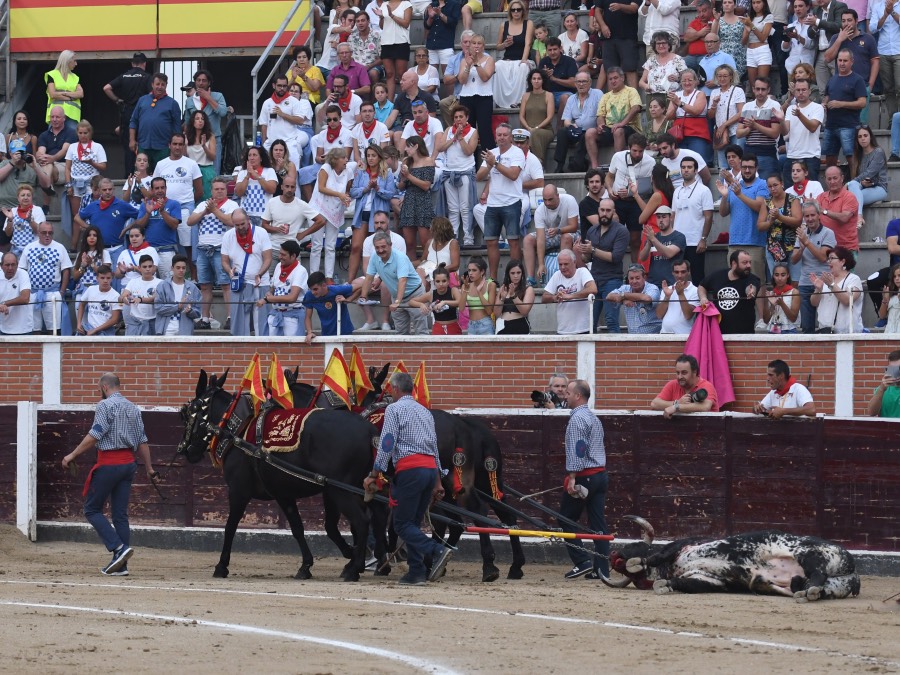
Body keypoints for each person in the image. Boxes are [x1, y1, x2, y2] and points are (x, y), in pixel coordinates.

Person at [61, 373, 157, 576]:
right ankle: (121, 565)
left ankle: (118, 548)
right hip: (129, 464)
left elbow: (95, 435)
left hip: (109, 464)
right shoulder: (133, 407)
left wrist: (72, 454)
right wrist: (149, 468)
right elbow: (143, 441)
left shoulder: (105, 406)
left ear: (105, 387)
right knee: (120, 515)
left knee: (91, 509)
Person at [364, 371, 452, 586]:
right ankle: (416, 571)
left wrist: (374, 474)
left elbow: (387, 443)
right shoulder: (425, 411)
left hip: (410, 470)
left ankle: (437, 550)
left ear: (394, 389)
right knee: (412, 523)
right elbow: (434, 448)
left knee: (402, 524)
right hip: (430, 470)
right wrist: (438, 481)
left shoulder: (394, 409)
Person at [559, 379, 609, 580]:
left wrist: (572, 476)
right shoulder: (593, 418)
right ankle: (601, 569)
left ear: (578, 396)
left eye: (569, 392)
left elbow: (579, 449)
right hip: (600, 475)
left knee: (565, 518)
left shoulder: (578, 419)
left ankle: (582, 562)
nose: (565, 395)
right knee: (598, 522)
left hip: (585, 476)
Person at [475, 124, 524, 282]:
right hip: (493, 204)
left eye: (505, 135)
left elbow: (513, 175)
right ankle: (493, 279)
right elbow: (479, 176)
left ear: (510, 137)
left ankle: (515, 278)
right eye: (499, 135)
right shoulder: (492, 153)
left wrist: (495, 163)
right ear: (495, 137)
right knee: (491, 242)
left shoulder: (517, 152)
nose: (501, 137)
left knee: (513, 242)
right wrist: (490, 164)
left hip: (511, 202)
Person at [360, 230, 427, 334]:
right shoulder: (374, 256)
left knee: (421, 332)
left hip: (415, 295)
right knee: (400, 333)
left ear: (390, 245)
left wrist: (397, 302)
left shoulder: (400, 257)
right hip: (396, 296)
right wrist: (363, 297)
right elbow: (369, 277)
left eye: (383, 247)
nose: (380, 250)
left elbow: (402, 280)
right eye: (377, 247)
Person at [718, 153, 769, 286]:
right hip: (734, 242)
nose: (747, 170)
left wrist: (739, 194)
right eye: (744, 167)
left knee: (758, 283)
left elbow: (759, 206)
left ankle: (759, 308)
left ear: (756, 168)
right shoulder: (734, 186)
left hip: (755, 242)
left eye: (750, 167)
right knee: (733, 282)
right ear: (740, 167)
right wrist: (724, 196)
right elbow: (723, 213)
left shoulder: (762, 184)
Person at [220, 208, 273, 337]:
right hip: (240, 284)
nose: (240, 227)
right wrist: (229, 271)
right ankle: (241, 350)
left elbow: (268, 259)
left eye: (242, 224)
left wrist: (259, 274)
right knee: (239, 320)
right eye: (236, 225)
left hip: (259, 282)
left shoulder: (261, 232)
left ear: (248, 220)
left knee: (261, 319)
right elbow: (224, 260)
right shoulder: (228, 235)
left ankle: (262, 346)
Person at [153, 133, 203, 263]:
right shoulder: (160, 164)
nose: (177, 147)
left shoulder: (192, 164)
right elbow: (154, 187)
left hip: (185, 208)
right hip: (165, 209)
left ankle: (193, 276)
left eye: (180, 144)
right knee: (169, 242)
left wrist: (187, 203)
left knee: (188, 245)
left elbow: (199, 191)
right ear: (169, 145)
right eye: (175, 144)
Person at [823, 9, 878, 124]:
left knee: (861, 124)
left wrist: (871, 85)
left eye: (849, 20)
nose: (846, 23)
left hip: (862, 86)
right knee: (840, 124)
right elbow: (827, 58)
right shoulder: (836, 38)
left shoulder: (868, 38)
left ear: (856, 21)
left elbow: (875, 62)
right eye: (843, 21)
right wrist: (839, 40)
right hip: (841, 86)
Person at [103, 53, 152, 176]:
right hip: (142, 115)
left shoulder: (124, 76)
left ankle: (128, 177)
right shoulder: (147, 76)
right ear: (144, 64)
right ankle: (144, 175)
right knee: (144, 146)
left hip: (127, 115)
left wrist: (117, 100)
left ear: (132, 63)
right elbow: (152, 94)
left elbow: (106, 88)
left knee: (129, 148)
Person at [434, 105, 477, 245]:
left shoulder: (473, 131)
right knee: (452, 208)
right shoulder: (448, 130)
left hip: (465, 172)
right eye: (456, 117)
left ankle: (468, 238)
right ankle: (453, 238)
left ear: (467, 118)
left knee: (465, 207)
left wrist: (460, 138)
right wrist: (453, 138)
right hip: (449, 172)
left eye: (461, 117)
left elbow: (469, 151)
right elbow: (440, 148)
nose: (458, 120)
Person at [791, 201, 837, 333]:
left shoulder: (828, 233)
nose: (810, 219)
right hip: (805, 282)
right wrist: (801, 249)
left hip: (825, 283)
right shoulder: (802, 233)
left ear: (818, 215)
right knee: (806, 328)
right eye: (807, 216)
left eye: (812, 215)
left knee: (826, 326)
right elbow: (793, 260)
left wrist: (806, 242)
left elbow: (823, 257)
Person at [20, 223, 73, 334]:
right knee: (34, 328)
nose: (47, 235)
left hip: (52, 293)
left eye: (50, 233)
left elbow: (66, 270)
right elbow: (22, 270)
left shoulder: (60, 247)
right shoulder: (29, 248)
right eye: (44, 232)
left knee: (54, 328)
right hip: (33, 293)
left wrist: (62, 292)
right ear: (38, 233)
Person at [586, 67, 643, 168]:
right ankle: (595, 166)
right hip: (610, 128)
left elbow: (636, 108)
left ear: (622, 78)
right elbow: (600, 115)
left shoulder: (631, 91)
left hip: (630, 128)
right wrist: (600, 125)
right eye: (610, 79)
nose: (613, 81)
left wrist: (622, 123)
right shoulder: (606, 96)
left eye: (615, 78)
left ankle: (618, 165)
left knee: (618, 130)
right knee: (590, 132)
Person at [523, 184, 579, 284]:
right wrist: (541, 264)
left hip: (572, 233)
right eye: (545, 200)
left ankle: (562, 276)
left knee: (566, 237)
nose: (547, 203)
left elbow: (574, 226)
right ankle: (531, 279)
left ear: (558, 196)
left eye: (550, 199)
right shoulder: (540, 211)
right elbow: (540, 238)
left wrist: (558, 230)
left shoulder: (569, 200)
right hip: (553, 233)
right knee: (528, 239)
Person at [821, 49, 867, 168]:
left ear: (852, 61)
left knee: (851, 157)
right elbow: (827, 96)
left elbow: (862, 102)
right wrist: (823, 104)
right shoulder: (832, 79)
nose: (842, 63)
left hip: (849, 125)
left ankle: (854, 184)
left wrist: (840, 104)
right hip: (830, 125)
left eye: (845, 61)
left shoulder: (858, 80)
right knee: (829, 158)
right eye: (840, 60)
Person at [698, 249, 762, 334]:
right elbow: (702, 286)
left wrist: (751, 291)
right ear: (734, 264)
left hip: (743, 335)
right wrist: (703, 298)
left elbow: (751, 287)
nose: (749, 265)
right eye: (745, 262)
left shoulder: (752, 278)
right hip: (717, 333)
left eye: (750, 262)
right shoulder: (718, 275)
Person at [129, 73, 182, 171]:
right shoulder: (142, 100)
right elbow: (133, 121)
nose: (160, 87)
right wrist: (132, 140)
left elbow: (177, 128)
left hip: (163, 148)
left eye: (163, 84)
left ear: (166, 85)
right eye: (157, 84)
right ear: (152, 84)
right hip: (143, 145)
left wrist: (175, 145)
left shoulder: (172, 103)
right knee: (142, 175)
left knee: (163, 177)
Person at [256, 240, 308, 337]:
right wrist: (268, 294)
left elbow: (292, 297)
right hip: (276, 313)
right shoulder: (278, 266)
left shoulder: (300, 271)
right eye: (280, 254)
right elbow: (273, 288)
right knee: (271, 347)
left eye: (283, 255)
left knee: (291, 349)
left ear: (293, 256)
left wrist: (268, 299)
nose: (280, 257)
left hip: (292, 316)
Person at [181, 70, 228, 174]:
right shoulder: (189, 100)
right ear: (195, 82)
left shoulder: (218, 96)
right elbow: (188, 122)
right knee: (192, 172)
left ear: (209, 83)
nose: (201, 83)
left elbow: (223, 113)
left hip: (213, 139)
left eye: (204, 80)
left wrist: (208, 98)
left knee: (213, 173)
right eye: (198, 80)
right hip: (194, 141)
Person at [133, 177, 181, 280]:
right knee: (148, 282)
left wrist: (162, 211)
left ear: (166, 189)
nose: (160, 190)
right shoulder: (145, 205)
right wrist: (147, 213)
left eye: (162, 188)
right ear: (151, 190)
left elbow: (174, 225)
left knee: (168, 283)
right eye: (157, 188)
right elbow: (139, 226)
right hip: (149, 250)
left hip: (167, 250)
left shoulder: (174, 204)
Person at [542, 249, 598, 335]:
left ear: (574, 262)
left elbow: (593, 289)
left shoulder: (582, 272)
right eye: (560, 264)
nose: (563, 267)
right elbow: (544, 297)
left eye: (566, 264)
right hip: (562, 330)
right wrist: (555, 297)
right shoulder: (557, 275)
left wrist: (570, 296)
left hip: (583, 329)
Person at [737, 77, 784, 180]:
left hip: (767, 153)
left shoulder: (774, 105)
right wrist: (749, 129)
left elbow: (775, 133)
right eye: (757, 89)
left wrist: (755, 126)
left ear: (768, 90)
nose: (760, 92)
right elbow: (738, 133)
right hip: (749, 153)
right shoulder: (747, 106)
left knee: (767, 188)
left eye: (763, 89)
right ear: (753, 89)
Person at [554, 73, 602, 173]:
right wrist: (570, 125)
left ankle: (578, 163)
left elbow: (602, 113)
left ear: (590, 82)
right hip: (576, 130)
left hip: (591, 131)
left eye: (584, 81)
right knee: (562, 131)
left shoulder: (598, 94)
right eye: (578, 82)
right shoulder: (571, 99)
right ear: (575, 84)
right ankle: (560, 165)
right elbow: (566, 120)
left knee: (586, 135)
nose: (581, 84)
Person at [75, 178, 138, 253]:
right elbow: (77, 217)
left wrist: (127, 228)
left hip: (117, 249)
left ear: (113, 189)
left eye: (110, 189)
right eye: (104, 190)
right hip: (98, 250)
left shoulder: (122, 205)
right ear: (99, 190)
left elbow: (140, 217)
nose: (108, 192)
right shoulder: (93, 206)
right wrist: (89, 228)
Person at [780, 78, 824, 185]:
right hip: (792, 156)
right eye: (798, 90)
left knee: (810, 193)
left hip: (810, 156)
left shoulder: (817, 107)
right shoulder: (790, 109)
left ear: (809, 91)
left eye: (804, 90)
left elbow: (813, 127)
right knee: (790, 193)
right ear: (794, 92)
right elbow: (785, 133)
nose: (801, 92)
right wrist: (780, 120)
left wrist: (800, 115)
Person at [810, 245, 863, 332]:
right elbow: (814, 303)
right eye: (828, 259)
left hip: (846, 332)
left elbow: (847, 300)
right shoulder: (827, 280)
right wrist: (818, 289)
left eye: (832, 258)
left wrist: (831, 285)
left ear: (842, 261)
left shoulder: (853, 279)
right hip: (825, 331)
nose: (829, 261)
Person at [759, 173, 802, 280]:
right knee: (778, 282)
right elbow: (760, 225)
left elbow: (798, 221)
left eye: (775, 185)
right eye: (770, 186)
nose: (773, 188)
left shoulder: (793, 199)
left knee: (794, 281)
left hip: (792, 246)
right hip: (774, 248)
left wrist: (780, 217)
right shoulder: (766, 202)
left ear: (781, 184)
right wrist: (770, 221)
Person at [492, 1, 534, 109]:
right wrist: (504, 44)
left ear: (522, 11)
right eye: (513, 10)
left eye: (518, 9)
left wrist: (524, 59)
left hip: (522, 58)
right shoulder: (504, 25)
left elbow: (528, 43)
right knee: (497, 66)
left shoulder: (528, 23)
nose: (516, 12)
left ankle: (520, 101)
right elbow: (498, 46)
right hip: (508, 59)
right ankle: (499, 101)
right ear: (510, 11)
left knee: (523, 67)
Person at [651, 354, 719, 418]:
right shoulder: (673, 384)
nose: (680, 377)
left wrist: (676, 407)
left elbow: (705, 406)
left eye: (684, 373)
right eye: (677, 373)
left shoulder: (706, 386)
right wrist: (677, 402)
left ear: (694, 372)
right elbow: (654, 404)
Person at [846, 125, 888, 230]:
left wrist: (848, 184)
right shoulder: (858, 154)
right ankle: (859, 218)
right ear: (857, 140)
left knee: (851, 196)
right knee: (853, 188)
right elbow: (858, 178)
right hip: (864, 187)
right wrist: (860, 183)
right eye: (860, 137)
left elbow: (869, 173)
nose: (863, 138)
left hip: (879, 188)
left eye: (865, 135)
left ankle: (858, 217)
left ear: (870, 137)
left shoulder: (878, 152)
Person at [303, 270, 361, 341]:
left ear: (324, 285)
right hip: (326, 333)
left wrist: (349, 299)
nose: (313, 292)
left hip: (344, 332)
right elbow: (308, 317)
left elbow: (362, 285)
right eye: (311, 289)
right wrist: (309, 332)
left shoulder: (337, 289)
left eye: (315, 289)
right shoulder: (309, 295)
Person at [606, 264, 663, 333]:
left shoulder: (652, 288)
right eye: (631, 278)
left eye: (637, 278)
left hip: (653, 337)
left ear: (644, 278)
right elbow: (608, 296)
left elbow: (647, 299)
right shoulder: (625, 288)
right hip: (632, 338)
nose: (634, 281)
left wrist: (624, 295)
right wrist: (623, 300)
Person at [410, 263, 463, 334]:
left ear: (448, 281)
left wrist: (444, 302)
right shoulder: (431, 294)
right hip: (438, 327)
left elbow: (460, 302)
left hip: (453, 326)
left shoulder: (453, 290)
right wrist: (421, 305)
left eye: (444, 281)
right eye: (438, 281)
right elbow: (411, 301)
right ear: (434, 282)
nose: (441, 284)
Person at [154, 254, 201, 336]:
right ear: (172, 268)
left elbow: (198, 312)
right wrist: (177, 306)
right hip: (166, 328)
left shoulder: (193, 288)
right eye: (178, 268)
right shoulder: (162, 286)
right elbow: (158, 308)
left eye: (183, 268)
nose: (181, 270)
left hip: (185, 329)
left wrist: (190, 311)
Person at [708, 65, 745, 168]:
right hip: (721, 132)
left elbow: (741, 112)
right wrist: (714, 104)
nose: (722, 79)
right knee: (723, 166)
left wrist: (725, 125)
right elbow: (710, 115)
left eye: (725, 76)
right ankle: (723, 184)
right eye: (719, 76)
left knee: (737, 162)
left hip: (735, 130)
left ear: (731, 77)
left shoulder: (738, 91)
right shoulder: (714, 92)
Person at [816, 165, 859, 253]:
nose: (832, 181)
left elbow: (844, 218)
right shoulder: (820, 197)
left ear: (842, 178)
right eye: (829, 179)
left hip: (846, 249)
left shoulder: (849, 196)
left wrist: (824, 211)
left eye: (835, 178)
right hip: (825, 247)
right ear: (825, 180)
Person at [640, 205, 685, 286]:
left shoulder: (679, 236)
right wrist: (649, 243)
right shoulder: (654, 237)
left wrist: (653, 239)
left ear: (671, 218)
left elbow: (669, 254)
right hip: (653, 284)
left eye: (664, 217)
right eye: (658, 217)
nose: (661, 220)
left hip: (672, 284)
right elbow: (642, 257)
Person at [35, 106, 77, 191]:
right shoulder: (43, 135)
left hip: (64, 165)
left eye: (57, 117)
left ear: (64, 118)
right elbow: (41, 151)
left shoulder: (71, 133)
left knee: (47, 165)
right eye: (52, 117)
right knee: (47, 165)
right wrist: (42, 157)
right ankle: (48, 189)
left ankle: (46, 200)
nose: (54, 119)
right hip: (48, 164)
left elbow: (64, 150)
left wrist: (52, 158)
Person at [379, 0, 414, 102]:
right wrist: (381, 17)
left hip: (401, 41)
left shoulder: (406, 4)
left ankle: (405, 100)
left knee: (401, 73)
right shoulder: (384, 5)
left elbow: (406, 23)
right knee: (389, 73)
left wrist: (391, 15)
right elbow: (382, 26)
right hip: (386, 42)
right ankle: (390, 102)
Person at [519, 70, 555, 162]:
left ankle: (539, 162)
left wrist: (536, 128)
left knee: (534, 134)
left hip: (545, 130)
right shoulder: (526, 96)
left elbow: (550, 117)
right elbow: (521, 116)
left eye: (539, 79)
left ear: (543, 80)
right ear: (530, 80)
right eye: (534, 78)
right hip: (527, 129)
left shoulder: (549, 95)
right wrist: (528, 127)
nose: (536, 81)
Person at [75, 264, 121, 337]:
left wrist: (95, 330)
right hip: (89, 328)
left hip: (106, 331)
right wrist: (78, 323)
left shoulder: (116, 296)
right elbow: (81, 304)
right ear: (97, 278)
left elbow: (114, 319)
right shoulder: (90, 289)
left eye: (108, 278)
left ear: (112, 278)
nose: (105, 281)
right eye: (102, 278)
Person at [871, 0, 900, 113]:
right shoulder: (878, 6)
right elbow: (872, 28)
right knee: (888, 89)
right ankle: (892, 120)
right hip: (883, 51)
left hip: (899, 51)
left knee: (899, 86)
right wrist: (885, 15)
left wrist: (892, 12)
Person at [119, 254, 160, 335]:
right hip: (135, 322)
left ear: (153, 267)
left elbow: (156, 298)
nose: (148, 269)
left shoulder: (160, 283)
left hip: (153, 322)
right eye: (144, 267)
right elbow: (121, 297)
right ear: (139, 268)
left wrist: (140, 299)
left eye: (150, 266)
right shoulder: (133, 282)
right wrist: (125, 299)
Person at [657, 259, 700, 334]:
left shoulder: (695, 290)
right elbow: (659, 315)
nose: (679, 276)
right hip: (664, 335)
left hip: (685, 336)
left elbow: (688, 315)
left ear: (689, 272)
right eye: (676, 272)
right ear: (672, 273)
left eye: (683, 272)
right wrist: (667, 297)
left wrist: (681, 294)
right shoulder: (668, 289)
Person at [44, 50, 84, 130]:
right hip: (56, 115)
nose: (76, 64)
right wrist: (71, 96)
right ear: (67, 60)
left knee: (72, 140)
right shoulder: (52, 75)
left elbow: (81, 94)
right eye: (74, 61)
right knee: (53, 138)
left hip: (72, 116)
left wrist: (63, 94)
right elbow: (52, 94)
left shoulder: (75, 77)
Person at [2, 184, 45, 258]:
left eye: (28, 195)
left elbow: (39, 231)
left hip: (33, 249)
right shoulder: (13, 211)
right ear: (18, 198)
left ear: (32, 198)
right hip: (15, 250)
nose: (26, 197)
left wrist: (30, 221)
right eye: (23, 195)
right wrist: (10, 220)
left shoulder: (37, 210)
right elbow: (8, 233)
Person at [537, 37, 578, 114]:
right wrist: (543, 76)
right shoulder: (543, 62)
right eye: (550, 50)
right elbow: (537, 83)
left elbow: (574, 83)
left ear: (560, 48)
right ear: (546, 50)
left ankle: (560, 126)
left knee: (565, 97)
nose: (552, 52)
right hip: (547, 94)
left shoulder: (569, 61)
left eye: (555, 49)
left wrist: (553, 79)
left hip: (565, 93)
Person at [494, 259, 534, 335]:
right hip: (503, 325)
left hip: (519, 325)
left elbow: (525, 311)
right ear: (508, 274)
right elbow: (496, 313)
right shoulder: (503, 288)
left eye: (518, 273)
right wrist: (502, 299)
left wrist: (513, 296)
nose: (516, 276)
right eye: (512, 273)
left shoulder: (528, 289)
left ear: (522, 273)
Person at [715, 0, 750, 80]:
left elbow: (744, 42)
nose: (727, 5)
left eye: (730, 2)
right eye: (725, 3)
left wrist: (747, 31)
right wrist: (716, 21)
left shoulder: (742, 20)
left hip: (739, 54)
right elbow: (713, 37)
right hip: (722, 55)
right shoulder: (718, 20)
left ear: (734, 5)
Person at [461, 255, 496, 335]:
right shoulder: (466, 286)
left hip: (485, 324)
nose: (470, 273)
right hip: (471, 325)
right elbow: (461, 308)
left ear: (482, 271)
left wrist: (479, 292)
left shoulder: (490, 285)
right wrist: (465, 290)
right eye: (469, 270)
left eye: (474, 270)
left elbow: (489, 311)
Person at [0, 251, 32, 335]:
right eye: (7, 265)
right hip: (3, 328)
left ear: (17, 265)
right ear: (1, 266)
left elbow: (25, 298)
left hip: (24, 329)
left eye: (13, 264)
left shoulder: (23, 274)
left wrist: (4, 303)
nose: (10, 268)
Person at [763, 261, 802, 332]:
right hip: (774, 330)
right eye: (776, 275)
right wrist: (772, 306)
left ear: (788, 275)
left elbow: (793, 318)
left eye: (783, 275)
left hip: (790, 330)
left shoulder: (794, 292)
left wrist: (782, 304)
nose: (779, 278)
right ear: (773, 276)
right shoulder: (770, 294)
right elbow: (765, 320)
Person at [866, 349, 900, 417]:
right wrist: (881, 389)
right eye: (893, 368)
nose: (896, 372)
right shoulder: (883, 389)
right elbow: (871, 413)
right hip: (887, 427)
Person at [877, 263, 900, 333]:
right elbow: (882, 316)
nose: (897, 278)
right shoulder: (891, 293)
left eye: (899, 276)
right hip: (889, 332)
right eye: (894, 276)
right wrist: (885, 300)